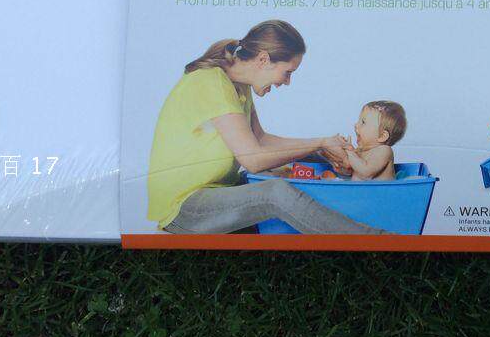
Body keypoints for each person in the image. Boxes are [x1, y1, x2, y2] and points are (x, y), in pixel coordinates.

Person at [145, 19, 383, 235]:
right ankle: (377, 239)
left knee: (284, 171)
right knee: (275, 193)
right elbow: (254, 159)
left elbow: (260, 140)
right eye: (287, 73)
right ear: (263, 60)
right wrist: (318, 143)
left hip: (215, 190)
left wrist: (322, 150)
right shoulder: (211, 82)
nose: (287, 82)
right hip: (183, 207)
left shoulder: (238, 85)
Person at [338, 101, 407, 180]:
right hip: (359, 188)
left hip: (382, 188)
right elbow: (350, 171)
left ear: (382, 136)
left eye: (363, 122)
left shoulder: (384, 151)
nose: (356, 125)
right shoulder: (359, 151)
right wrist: (343, 166)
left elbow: (366, 173)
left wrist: (350, 152)